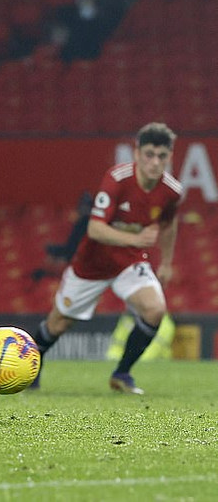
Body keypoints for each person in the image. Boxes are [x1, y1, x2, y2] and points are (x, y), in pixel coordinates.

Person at [29, 123, 183, 395]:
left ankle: (122, 374)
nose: (155, 162)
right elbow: (94, 229)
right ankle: (31, 367)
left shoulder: (171, 191)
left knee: (155, 310)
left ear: (170, 157)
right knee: (59, 324)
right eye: (149, 154)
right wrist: (136, 239)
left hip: (130, 261)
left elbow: (169, 224)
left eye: (161, 156)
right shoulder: (118, 178)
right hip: (93, 263)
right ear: (136, 153)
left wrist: (167, 263)